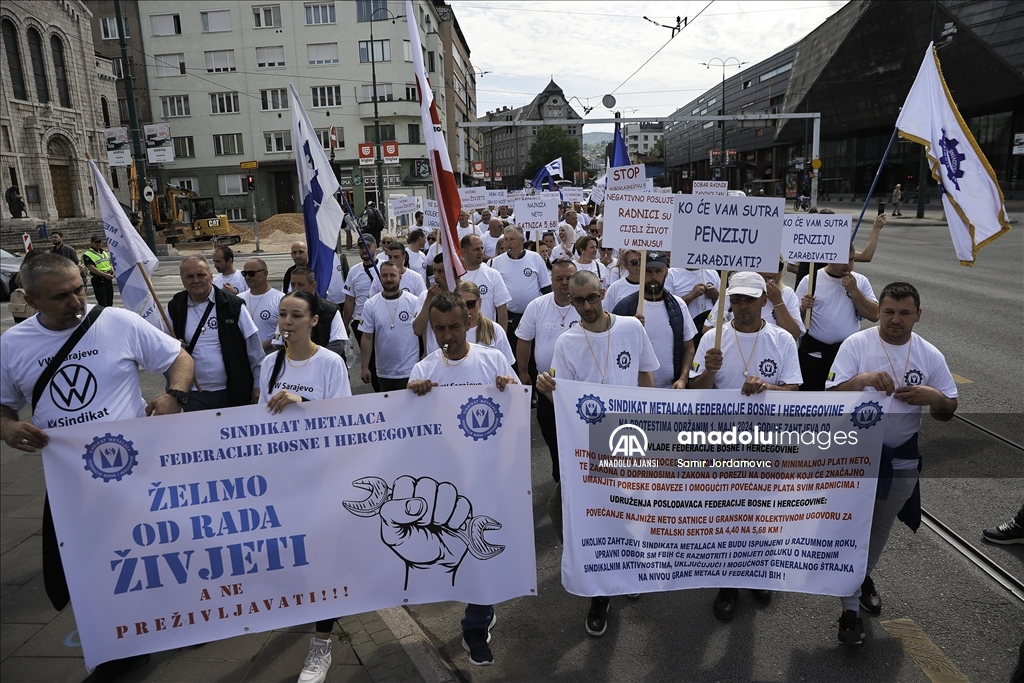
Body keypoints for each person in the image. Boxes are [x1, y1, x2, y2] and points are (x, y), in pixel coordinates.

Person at [0, 253, 194, 681]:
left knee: (160, 550)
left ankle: (185, 617)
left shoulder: (116, 323)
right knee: (92, 565)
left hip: (137, 470)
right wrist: (8, 428)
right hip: (72, 479)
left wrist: (174, 395)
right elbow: (2, 406)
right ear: (30, 301)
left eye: (78, 289)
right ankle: (119, 646)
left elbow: (178, 359)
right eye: (61, 296)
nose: (76, 301)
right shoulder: (12, 345)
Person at [826, 282, 958, 644]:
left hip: (901, 459)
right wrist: (862, 380)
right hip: (854, 457)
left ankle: (859, 578)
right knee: (851, 532)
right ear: (878, 311)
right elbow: (829, 397)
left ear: (918, 314)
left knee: (877, 533)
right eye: (888, 311)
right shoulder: (856, 345)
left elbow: (948, 409)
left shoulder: (930, 354)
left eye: (903, 312)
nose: (895, 319)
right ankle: (850, 611)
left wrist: (934, 398)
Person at [535, 270, 658, 638]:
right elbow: (562, 398)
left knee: (629, 508)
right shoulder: (567, 342)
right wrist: (545, 388)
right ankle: (600, 586)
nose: (586, 307)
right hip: (589, 444)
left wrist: (649, 424)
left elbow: (646, 376)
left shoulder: (631, 329)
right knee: (566, 510)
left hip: (630, 440)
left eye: (591, 298)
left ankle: (630, 570)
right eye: (578, 301)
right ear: (570, 302)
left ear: (602, 293)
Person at [407, 292, 518, 667]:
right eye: (439, 328)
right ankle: (478, 608)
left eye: (454, 326)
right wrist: (412, 398)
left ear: (468, 322)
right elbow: (407, 430)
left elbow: (518, 411)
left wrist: (509, 389)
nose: (447, 335)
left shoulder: (494, 360)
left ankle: (476, 622)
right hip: (445, 483)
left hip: (488, 477)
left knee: (481, 551)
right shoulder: (424, 371)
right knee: (455, 555)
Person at [689, 271, 802, 622]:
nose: (741, 306)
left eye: (748, 299)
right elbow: (695, 394)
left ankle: (758, 573)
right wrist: (707, 372)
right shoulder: (712, 339)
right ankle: (727, 584)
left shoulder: (782, 340)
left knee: (760, 514)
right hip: (722, 444)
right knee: (726, 515)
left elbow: (794, 393)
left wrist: (767, 387)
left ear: (763, 301)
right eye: (735, 299)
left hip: (766, 444)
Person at [259, 287, 353, 683]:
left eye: (296, 315)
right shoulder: (268, 364)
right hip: (283, 480)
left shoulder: (330, 362)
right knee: (293, 561)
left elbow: (345, 419)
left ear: (314, 321)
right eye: (283, 315)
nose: (287, 322)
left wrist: (303, 402)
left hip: (322, 479)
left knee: (322, 565)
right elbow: (260, 419)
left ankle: (321, 646)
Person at [167, 255, 263, 411]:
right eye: (189, 276)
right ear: (182, 279)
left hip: (233, 391)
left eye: (201, 274)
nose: (196, 280)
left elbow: (255, 351)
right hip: (194, 393)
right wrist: (174, 346)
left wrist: (258, 385)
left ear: (211, 276)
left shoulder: (233, 305)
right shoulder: (175, 307)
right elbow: (164, 349)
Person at [515, 260, 579, 482]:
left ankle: (577, 480)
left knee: (579, 439)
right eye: (558, 278)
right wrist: (524, 372)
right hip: (547, 387)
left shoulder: (587, 306)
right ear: (550, 280)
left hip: (578, 388)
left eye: (569, 278)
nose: (564, 283)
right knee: (552, 437)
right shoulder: (537, 306)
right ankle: (560, 478)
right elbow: (524, 340)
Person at [796, 243, 878, 390]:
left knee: (843, 405)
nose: (849, 265)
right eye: (844, 260)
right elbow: (795, 325)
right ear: (830, 258)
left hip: (847, 356)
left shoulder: (860, 281)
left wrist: (854, 290)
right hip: (815, 355)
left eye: (852, 260)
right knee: (811, 403)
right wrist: (803, 308)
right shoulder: (810, 281)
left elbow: (874, 314)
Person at [612, 251, 697, 390]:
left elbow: (689, 348)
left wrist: (683, 379)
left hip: (671, 391)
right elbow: (612, 347)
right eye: (648, 271)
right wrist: (629, 326)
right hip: (635, 391)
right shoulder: (625, 307)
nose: (653, 276)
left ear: (666, 272)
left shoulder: (678, 305)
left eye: (658, 271)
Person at [489, 227, 552, 379]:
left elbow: (546, 288)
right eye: (506, 239)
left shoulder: (535, 258)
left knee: (532, 358)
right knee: (512, 358)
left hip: (533, 319)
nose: (508, 243)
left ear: (522, 241)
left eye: (512, 239)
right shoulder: (495, 262)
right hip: (509, 320)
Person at [703, 260, 803, 341]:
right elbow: (707, 329)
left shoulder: (787, 293)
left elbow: (794, 334)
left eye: (778, 266)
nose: (772, 271)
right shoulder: (732, 292)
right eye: (766, 265)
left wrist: (778, 301)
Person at [359, 262, 421, 391]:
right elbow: (367, 338)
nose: (388, 279)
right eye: (384, 275)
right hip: (384, 371)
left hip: (410, 370)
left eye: (392, 275)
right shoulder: (370, 304)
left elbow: (423, 333)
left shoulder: (414, 301)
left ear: (400, 277)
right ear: (379, 278)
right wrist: (364, 367)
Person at [285, 267, 349, 359]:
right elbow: (279, 343)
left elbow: (337, 345)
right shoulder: (286, 310)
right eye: (293, 285)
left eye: (301, 285)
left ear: (313, 286)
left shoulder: (331, 310)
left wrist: (313, 362)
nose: (296, 289)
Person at [460, 234, 511, 332]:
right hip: (462, 334)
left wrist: (501, 335)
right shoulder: (455, 276)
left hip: (486, 334)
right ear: (464, 252)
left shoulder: (493, 274)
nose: (481, 252)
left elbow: (502, 310)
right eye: (476, 249)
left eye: (482, 248)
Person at [239, 257, 284, 353]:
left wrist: (267, 344)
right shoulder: (239, 299)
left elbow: (282, 331)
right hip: (245, 358)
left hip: (270, 357)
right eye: (244, 274)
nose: (247, 277)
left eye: (251, 273)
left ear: (265, 273)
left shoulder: (280, 299)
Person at [82, 235, 115, 307]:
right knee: (103, 303)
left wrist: (112, 271)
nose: (98, 244)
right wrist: (105, 275)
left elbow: (109, 263)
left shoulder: (103, 252)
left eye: (99, 242)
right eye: (96, 242)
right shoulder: (88, 254)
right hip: (99, 280)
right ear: (91, 243)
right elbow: (91, 268)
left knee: (110, 302)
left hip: (108, 279)